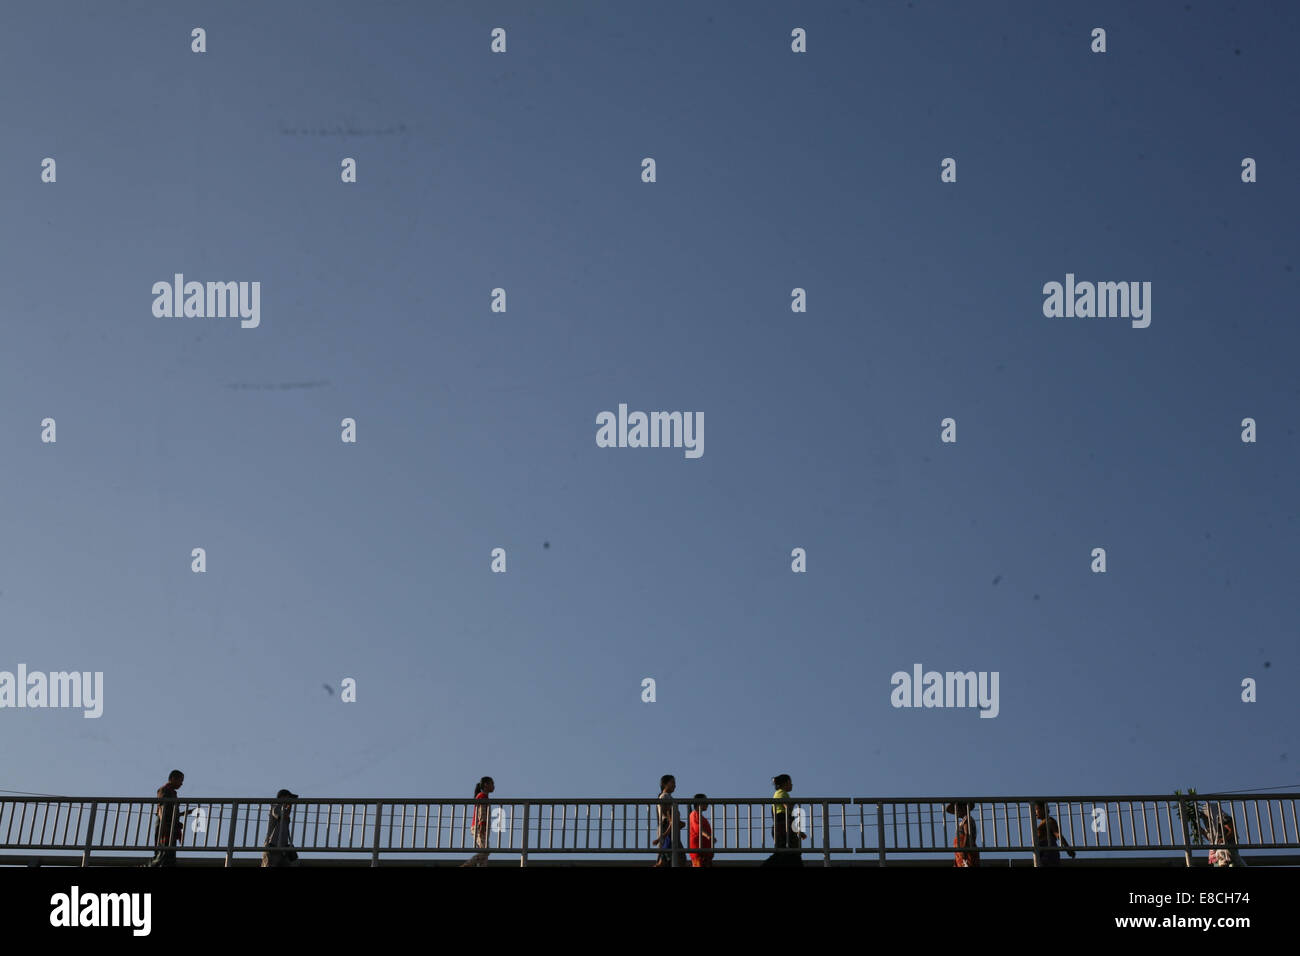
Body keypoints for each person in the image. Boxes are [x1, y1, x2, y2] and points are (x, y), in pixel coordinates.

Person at [763, 773, 806, 867]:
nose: (792, 785)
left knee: (782, 851)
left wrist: (798, 831)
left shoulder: (777, 794)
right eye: (790, 783)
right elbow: (787, 808)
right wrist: (792, 804)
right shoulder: (783, 793)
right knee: (792, 852)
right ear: (785, 783)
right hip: (784, 825)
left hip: (780, 826)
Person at [149, 770, 185, 867]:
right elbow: (161, 807)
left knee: (170, 855)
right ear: (173, 778)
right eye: (180, 780)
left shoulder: (173, 793)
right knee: (162, 854)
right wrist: (163, 825)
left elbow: (171, 812)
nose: (181, 784)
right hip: (165, 825)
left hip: (171, 826)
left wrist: (186, 813)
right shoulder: (164, 790)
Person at [461, 776, 495, 867]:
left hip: (479, 826)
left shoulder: (483, 796)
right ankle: (467, 865)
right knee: (486, 850)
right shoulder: (482, 796)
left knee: (484, 852)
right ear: (486, 785)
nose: (494, 786)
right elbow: (481, 811)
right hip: (479, 827)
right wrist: (482, 823)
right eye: (492, 783)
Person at [261, 789, 300, 867]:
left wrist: (290, 805)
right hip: (272, 846)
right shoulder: (276, 807)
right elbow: (280, 815)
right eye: (288, 798)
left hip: (281, 848)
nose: (289, 801)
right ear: (282, 797)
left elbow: (285, 815)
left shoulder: (282, 810)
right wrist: (288, 806)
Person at [1201, 802, 1247, 867]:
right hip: (1217, 852)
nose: (1205, 817)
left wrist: (1223, 839)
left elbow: (1232, 831)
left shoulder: (1224, 818)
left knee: (1230, 862)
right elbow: (1211, 837)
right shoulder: (1211, 825)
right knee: (1219, 863)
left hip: (1227, 849)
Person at [653, 774, 684, 867]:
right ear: (665, 784)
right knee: (674, 856)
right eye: (672, 782)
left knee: (672, 855)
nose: (675, 785)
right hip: (667, 827)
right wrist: (674, 821)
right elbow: (667, 813)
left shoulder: (667, 797)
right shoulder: (664, 796)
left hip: (669, 827)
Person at [1032, 801, 1075, 866]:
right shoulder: (1043, 822)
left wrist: (1068, 849)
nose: (1035, 812)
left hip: (1049, 853)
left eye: (1036, 809)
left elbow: (1057, 834)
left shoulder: (1049, 820)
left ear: (1043, 809)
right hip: (1043, 852)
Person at [945, 801, 980, 867]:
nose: (956, 813)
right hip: (962, 851)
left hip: (966, 851)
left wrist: (964, 850)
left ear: (963, 809)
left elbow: (967, 834)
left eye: (957, 810)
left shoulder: (967, 819)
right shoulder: (964, 820)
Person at [688, 794, 714, 867]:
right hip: (698, 852)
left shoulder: (701, 817)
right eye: (705, 801)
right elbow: (698, 828)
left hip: (704, 853)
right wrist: (708, 836)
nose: (707, 804)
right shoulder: (694, 814)